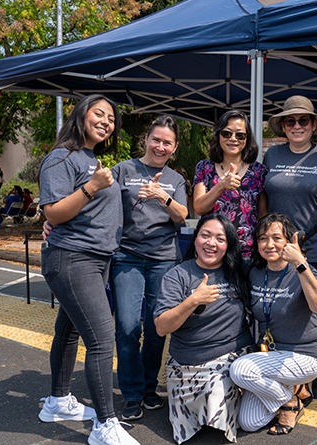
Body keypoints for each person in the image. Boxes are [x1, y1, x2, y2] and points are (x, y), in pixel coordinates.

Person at [37, 94, 138, 445]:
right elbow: (53, 212)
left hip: (94, 259)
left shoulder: (89, 157)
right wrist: (91, 187)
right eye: (100, 113)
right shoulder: (61, 157)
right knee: (101, 338)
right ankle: (105, 425)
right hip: (73, 258)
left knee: (68, 333)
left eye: (111, 118)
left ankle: (58, 401)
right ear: (81, 115)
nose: (107, 121)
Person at [110, 116, 188, 421]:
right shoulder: (124, 170)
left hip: (164, 259)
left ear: (175, 147)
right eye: (156, 139)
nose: (160, 146)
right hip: (127, 256)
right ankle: (130, 393)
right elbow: (104, 207)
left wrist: (162, 196)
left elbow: (182, 216)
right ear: (146, 139)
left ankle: (147, 388)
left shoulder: (176, 179)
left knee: (158, 328)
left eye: (167, 142)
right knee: (128, 327)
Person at [154, 214, 252, 444]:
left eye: (220, 238)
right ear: (195, 238)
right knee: (190, 424)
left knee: (222, 398)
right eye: (205, 235)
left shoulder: (239, 271)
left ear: (228, 245)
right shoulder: (177, 275)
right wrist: (193, 301)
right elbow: (161, 327)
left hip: (232, 359)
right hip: (185, 365)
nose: (211, 243)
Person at [230, 213, 317, 435]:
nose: (269, 244)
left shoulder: (303, 271)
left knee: (240, 369)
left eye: (277, 237)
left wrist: (300, 263)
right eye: (263, 238)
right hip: (270, 357)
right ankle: (293, 393)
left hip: (303, 357)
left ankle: (289, 400)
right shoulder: (255, 272)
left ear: (289, 241)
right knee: (249, 422)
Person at [262, 95, 317, 397]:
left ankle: (314, 370)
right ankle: (289, 369)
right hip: (276, 247)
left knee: (316, 311)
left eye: (304, 120)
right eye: (291, 120)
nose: (297, 125)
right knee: (283, 308)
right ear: (283, 125)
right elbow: (262, 195)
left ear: (314, 124)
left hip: (314, 244)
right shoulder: (272, 155)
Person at [192, 110, 267, 257]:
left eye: (240, 135)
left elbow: (262, 217)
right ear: (218, 135)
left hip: (246, 254)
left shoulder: (259, 171)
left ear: (247, 139)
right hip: (211, 251)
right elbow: (199, 208)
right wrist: (221, 186)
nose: (233, 139)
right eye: (227, 133)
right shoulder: (204, 168)